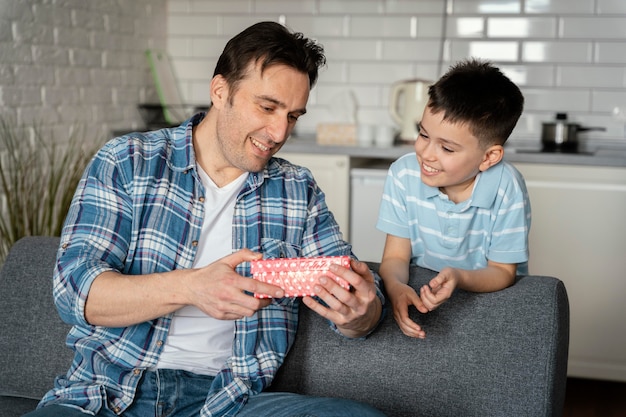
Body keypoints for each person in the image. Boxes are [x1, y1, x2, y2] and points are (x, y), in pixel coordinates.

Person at [27, 21, 385, 417]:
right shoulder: (127, 161)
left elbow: (358, 301)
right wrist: (193, 288)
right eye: (267, 107)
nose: (280, 130)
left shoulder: (297, 189)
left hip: (230, 401)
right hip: (108, 394)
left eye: (293, 116)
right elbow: (74, 291)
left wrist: (360, 313)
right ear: (220, 91)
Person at [376, 58, 530, 339]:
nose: (427, 154)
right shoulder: (403, 174)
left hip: (489, 303)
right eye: (423, 133)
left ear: (488, 157)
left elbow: (502, 272)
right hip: (423, 299)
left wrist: (459, 277)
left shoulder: (506, 186)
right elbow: (396, 257)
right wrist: (397, 287)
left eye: (447, 148)